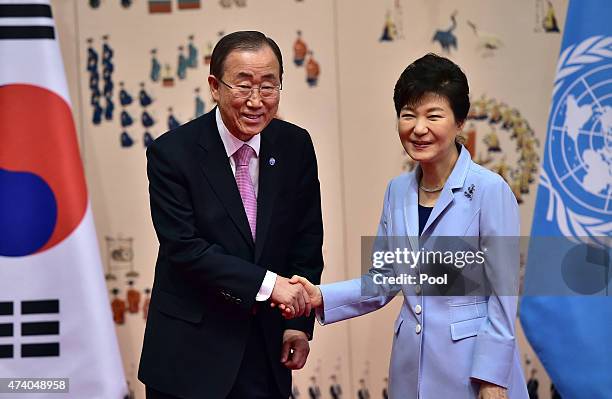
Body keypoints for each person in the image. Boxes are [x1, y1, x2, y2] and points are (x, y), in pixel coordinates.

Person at [290, 54, 528, 399]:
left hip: (472, 370)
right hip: (410, 369)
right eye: (408, 115)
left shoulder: (490, 190)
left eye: (434, 115)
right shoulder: (397, 191)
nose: (418, 128)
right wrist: (320, 296)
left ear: (460, 121)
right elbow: (385, 279)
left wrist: (493, 377)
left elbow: (504, 294)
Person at [138, 31, 324, 399]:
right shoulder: (172, 154)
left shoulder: (294, 145)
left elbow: (306, 239)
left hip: (266, 349)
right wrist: (272, 285)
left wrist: (298, 324)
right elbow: (186, 249)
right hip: (190, 354)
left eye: (269, 87)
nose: (256, 101)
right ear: (215, 86)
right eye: (243, 86)